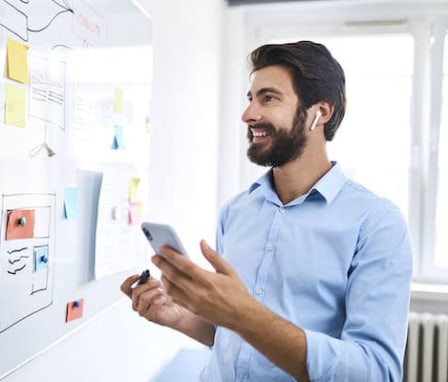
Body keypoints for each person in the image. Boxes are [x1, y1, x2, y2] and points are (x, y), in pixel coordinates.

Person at [121, 40, 413, 381]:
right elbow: (230, 337)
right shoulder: (236, 211)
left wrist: (245, 315)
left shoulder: (377, 224)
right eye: (250, 98)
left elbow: (374, 371)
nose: (248, 114)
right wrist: (178, 316)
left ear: (321, 112)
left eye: (268, 98)